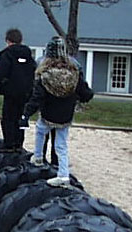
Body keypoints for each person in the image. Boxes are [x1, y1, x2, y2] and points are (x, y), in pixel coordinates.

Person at [19, 37, 94, 186]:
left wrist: (26, 114)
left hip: (48, 112)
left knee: (41, 130)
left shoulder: (45, 74)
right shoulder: (73, 72)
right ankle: (63, 175)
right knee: (61, 145)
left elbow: (37, 98)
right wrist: (84, 96)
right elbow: (85, 92)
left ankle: (38, 157)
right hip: (65, 114)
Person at [35, 36, 84, 166]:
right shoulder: (74, 66)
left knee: (42, 133)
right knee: (59, 137)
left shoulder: (41, 64)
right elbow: (81, 87)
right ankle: (56, 162)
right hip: (66, 107)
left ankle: (40, 159)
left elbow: (36, 88)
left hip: (47, 105)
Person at [0, 28, 36, 152]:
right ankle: (18, 143)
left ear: (8, 41)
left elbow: (0, 73)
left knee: (8, 118)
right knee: (20, 118)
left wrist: (1, 88)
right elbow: (33, 73)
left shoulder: (6, 55)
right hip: (25, 93)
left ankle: (9, 144)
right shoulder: (28, 56)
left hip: (10, 93)